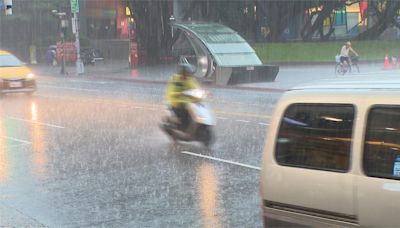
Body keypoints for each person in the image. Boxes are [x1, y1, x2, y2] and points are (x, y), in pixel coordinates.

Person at [165, 63, 200, 130]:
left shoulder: (189, 80)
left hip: (188, 103)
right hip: (176, 103)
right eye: (186, 73)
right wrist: (180, 93)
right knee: (185, 115)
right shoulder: (175, 80)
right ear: (182, 72)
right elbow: (170, 92)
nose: (187, 74)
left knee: (196, 112)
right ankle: (181, 127)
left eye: (188, 73)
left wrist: (202, 93)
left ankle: (190, 128)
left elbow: (195, 88)